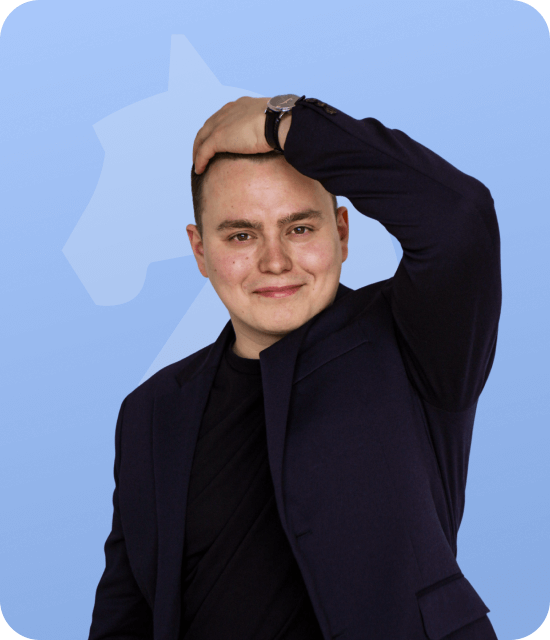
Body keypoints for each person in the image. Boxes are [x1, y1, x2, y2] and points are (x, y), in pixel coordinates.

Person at [88, 94, 502, 640]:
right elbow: (126, 613)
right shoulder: (150, 411)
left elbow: (459, 216)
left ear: (342, 233)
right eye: (241, 235)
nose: (275, 261)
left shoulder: (414, 342)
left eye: (299, 228)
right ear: (200, 251)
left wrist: (286, 123)